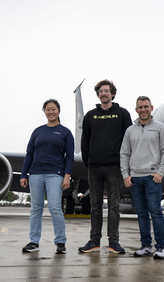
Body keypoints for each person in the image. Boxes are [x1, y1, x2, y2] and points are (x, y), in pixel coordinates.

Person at [79, 80, 132, 254]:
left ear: (113, 94)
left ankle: (113, 242)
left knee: (114, 206)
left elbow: (129, 141)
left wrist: (125, 165)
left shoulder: (122, 114)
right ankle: (94, 241)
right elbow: (84, 142)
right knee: (95, 206)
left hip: (114, 167)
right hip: (94, 168)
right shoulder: (90, 116)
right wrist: (89, 162)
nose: (104, 94)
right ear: (98, 95)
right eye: (101, 91)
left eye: (107, 91)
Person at [120, 96, 164, 259]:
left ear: (151, 108)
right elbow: (124, 153)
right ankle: (145, 246)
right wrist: (125, 175)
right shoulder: (130, 130)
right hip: (135, 179)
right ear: (136, 110)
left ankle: (161, 247)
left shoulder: (160, 128)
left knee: (155, 211)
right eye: (140, 107)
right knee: (142, 213)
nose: (143, 110)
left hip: (152, 178)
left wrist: (160, 172)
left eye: (146, 107)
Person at [20, 99, 74, 254]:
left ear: (59, 111)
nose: (51, 112)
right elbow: (29, 154)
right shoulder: (37, 131)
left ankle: (60, 242)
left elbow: (69, 156)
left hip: (55, 174)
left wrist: (67, 176)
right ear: (44, 112)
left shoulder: (65, 132)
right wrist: (24, 174)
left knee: (55, 207)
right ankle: (34, 242)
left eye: (54, 109)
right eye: (48, 109)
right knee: (35, 208)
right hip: (36, 174)